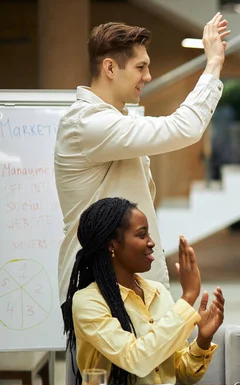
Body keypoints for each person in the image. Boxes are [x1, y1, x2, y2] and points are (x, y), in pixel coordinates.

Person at [54, 14, 229, 306]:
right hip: (100, 289)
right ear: (110, 68)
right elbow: (183, 128)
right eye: (140, 67)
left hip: (131, 283)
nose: (148, 76)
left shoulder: (114, 119)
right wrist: (212, 64)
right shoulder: (87, 123)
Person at [62, 197, 225, 385]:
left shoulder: (158, 292)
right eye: (142, 235)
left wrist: (203, 340)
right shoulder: (88, 302)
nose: (151, 242)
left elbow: (181, 373)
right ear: (112, 245)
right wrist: (188, 298)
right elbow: (137, 360)